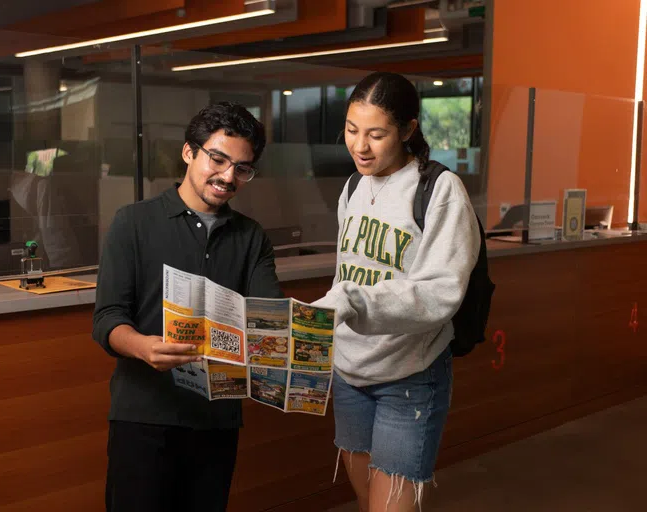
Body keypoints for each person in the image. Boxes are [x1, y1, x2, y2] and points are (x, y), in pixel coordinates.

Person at [92, 102, 282, 512]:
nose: (228, 177)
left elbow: (269, 318)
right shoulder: (133, 223)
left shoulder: (252, 238)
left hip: (216, 419)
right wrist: (143, 347)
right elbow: (107, 318)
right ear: (189, 152)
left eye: (242, 169)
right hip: (144, 413)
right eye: (218, 159)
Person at [312, 72, 480, 512]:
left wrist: (354, 301)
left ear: (408, 129)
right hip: (348, 371)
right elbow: (348, 271)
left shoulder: (439, 190)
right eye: (351, 130)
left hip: (409, 376)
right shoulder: (353, 186)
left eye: (376, 134)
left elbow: (439, 293)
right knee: (369, 503)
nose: (360, 147)